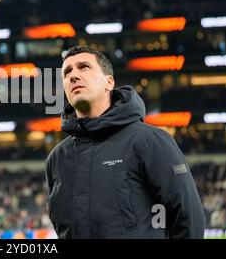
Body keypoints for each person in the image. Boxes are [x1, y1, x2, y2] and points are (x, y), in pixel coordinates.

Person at [45, 45, 205, 238]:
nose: (73, 75)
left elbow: (187, 219)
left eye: (84, 67)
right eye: (67, 72)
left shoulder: (149, 140)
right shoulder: (57, 158)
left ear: (109, 82)